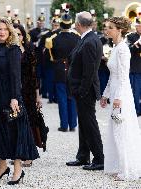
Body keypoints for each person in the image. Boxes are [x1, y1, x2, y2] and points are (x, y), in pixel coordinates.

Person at [0, 17, 39, 185]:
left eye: (5, 29)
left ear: (10, 31)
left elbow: (15, 76)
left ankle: (18, 171)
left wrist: (14, 98)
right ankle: (2, 167)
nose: (1, 31)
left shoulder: (13, 50)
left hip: (10, 96)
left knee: (14, 132)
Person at [101, 16, 141, 181]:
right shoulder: (116, 47)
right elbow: (113, 75)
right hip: (116, 91)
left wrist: (117, 98)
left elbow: (124, 76)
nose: (107, 30)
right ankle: (117, 165)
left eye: (110, 27)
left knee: (121, 131)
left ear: (119, 30)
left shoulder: (123, 49)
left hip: (122, 94)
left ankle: (126, 170)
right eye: (106, 27)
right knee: (114, 130)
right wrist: (105, 94)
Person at [67, 11, 104, 171]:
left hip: (85, 91)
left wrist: (81, 91)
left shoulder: (90, 41)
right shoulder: (87, 38)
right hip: (82, 90)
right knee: (83, 123)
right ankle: (83, 156)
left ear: (79, 24)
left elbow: (89, 71)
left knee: (89, 124)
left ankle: (99, 158)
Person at [13, 23, 46, 167]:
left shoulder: (30, 49)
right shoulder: (9, 50)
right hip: (13, 91)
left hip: (28, 91)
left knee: (30, 122)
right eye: (13, 34)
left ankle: (29, 155)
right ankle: (18, 153)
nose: (16, 37)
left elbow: (35, 74)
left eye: (19, 34)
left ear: (23, 35)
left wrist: (38, 95)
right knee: (15, 122)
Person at [46, 13, 80, 132]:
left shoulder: (53, 39)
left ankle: (64, 125)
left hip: (59, 70)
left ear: (60, 24)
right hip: (74, 71)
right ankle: (73, 125)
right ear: (71, 24)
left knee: (62, 98)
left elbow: (51, 57)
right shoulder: (77, 37)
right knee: (72, 98)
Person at [126, 18, 141, 117]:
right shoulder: (131, 37)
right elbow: (128, 50)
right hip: (136, 69)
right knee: (136, 92)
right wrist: (138, 43)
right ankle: (137, 110)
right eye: (139, 26)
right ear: (136, 26)